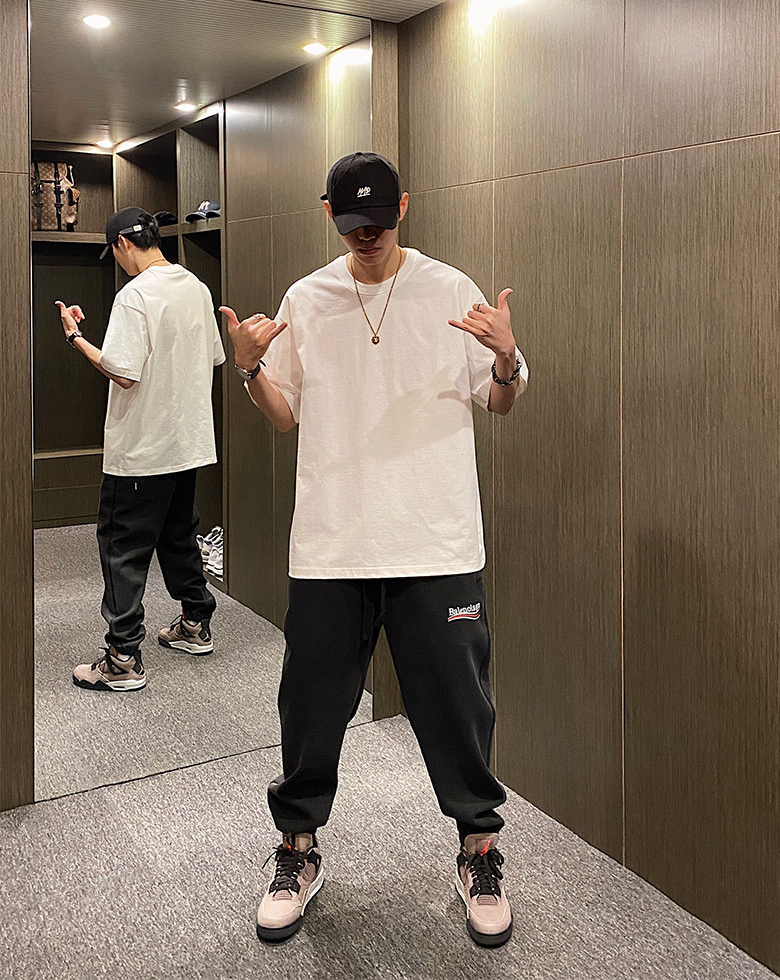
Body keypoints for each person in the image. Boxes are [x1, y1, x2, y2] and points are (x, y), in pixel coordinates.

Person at [221, 152, 527, 948]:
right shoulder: (307, 298)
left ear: (404, 208)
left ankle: (479, 850)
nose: (368, 236)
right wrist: (249, 369)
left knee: (459, 706)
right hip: (333, 544)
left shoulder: (449, 288)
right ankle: (297, 849)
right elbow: (284, 415)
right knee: (310, 707)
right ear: (329, 214)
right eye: (353, 223)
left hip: (437, 540)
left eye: (380, 222)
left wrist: (505, 357)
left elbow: (500, 401)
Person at [58, 206, 226, 692]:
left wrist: (76, 338)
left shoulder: (134, 296)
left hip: (141, 450)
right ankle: (195, 623)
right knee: (178, 536)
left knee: (122, 550)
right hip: (187, 444)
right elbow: (214, 358)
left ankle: (122, 658)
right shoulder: (196, 287)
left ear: (123, 244)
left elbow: (123, 371)